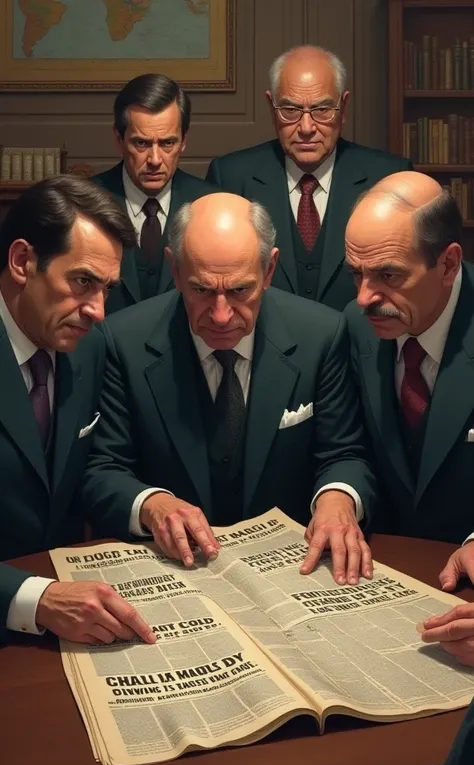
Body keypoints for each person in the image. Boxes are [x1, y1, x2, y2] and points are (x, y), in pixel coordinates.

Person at [83, 192, 376, 582]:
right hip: (174, 569)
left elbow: (344, 452)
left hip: (292, 568)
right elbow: (103, 469)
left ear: (269, 270)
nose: (221, 316)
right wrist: (152, 504)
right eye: (202, 290)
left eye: (240, 291)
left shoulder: (321, 335)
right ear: (174, 269)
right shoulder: (123, 341)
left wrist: (338, 497)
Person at [0, 175, 155, 647]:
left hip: (69, 624)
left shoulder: (87, 348)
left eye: (107, 289)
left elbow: (91, 471)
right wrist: (37, 598)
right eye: (83, 282)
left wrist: (148, 504)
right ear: (23, 261)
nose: (98, 311)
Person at [206, 45, 411, 311]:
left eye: (322, 109)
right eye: (290, 111)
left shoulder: (388, 178)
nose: (306, 128)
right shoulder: (231, 178)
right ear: (271, 107)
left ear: (343, 106)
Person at [345, 170, 474, 546]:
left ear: (448, 264)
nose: (363, 299)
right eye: (356, 274)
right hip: (385, 560)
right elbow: (351, 446)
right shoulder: (356, 325)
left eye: (389, 275)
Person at [93, 73, 218, 314]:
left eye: (167, 143)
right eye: (141, 144)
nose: (154, 160)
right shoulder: (85, 204)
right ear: (119, 139)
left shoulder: (209, 205)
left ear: (183, 142)